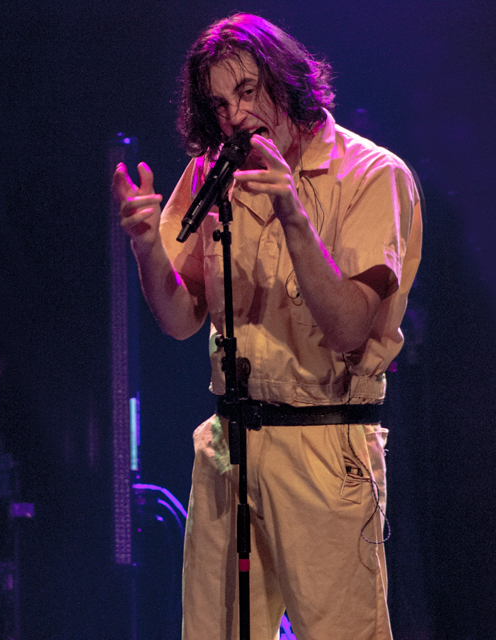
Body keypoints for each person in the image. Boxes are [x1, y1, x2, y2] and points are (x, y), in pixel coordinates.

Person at [114, 14, 421, 640]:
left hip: (325, 448)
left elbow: (348, 329)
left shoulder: (373, 174)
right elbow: (177, 320)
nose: (235, 115)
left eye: (248, 90)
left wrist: (291, 212)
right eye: (221, 103)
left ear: (285, 79)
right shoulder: (209, 176)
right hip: (231, 446)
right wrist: (148, 249)